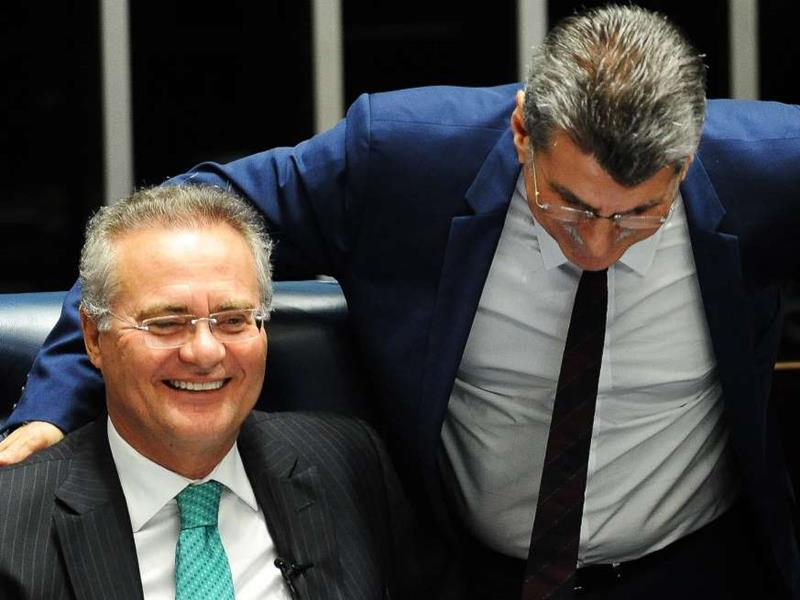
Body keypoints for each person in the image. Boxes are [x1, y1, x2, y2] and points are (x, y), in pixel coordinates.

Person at [2, 4, 799, 599]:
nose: (596, 245)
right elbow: (172, 224)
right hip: (461, 571)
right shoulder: (406, 156)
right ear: (522, 131)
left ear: (686, 162)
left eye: (637, 217)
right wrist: (57, 399)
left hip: (695, 568)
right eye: (567, 206)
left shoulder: (767, 168)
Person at [0, 185, 439, 599]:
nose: (205, 352)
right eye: (167, 323)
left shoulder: (349, 461)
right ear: (94, 338)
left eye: (232, 320)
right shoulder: (10, 522)